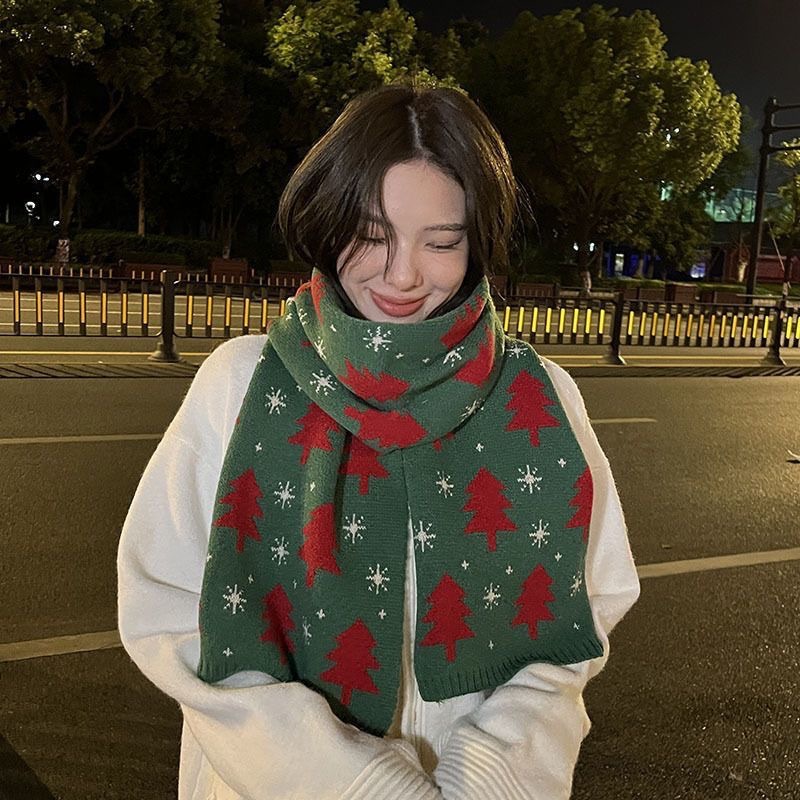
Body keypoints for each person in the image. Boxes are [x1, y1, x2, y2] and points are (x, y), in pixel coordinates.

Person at [117, 82, 640, 800]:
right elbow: (170, 610)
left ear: (477, 244)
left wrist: (489, 776)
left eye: (442, 242)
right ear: (329, 222)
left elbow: (587, 605)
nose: (402, 274)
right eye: (370, 234)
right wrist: (359, 785)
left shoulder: (540, 396)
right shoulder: (241, 383)